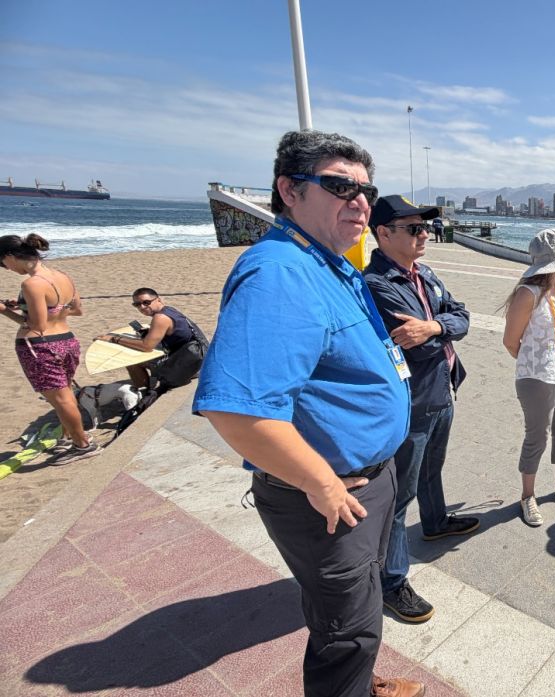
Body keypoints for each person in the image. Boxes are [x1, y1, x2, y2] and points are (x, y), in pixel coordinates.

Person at [192, 130, 425, 697]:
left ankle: (362, 687)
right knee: (348, 630)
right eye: (340, 184)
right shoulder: (280, 273)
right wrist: (320, 483)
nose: (361, 201)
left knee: (357, 606)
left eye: (366, 189)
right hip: (329, 494)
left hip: (369, 474)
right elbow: (238, 412)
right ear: (289, 192)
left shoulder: (329, 261)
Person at [364, 195, 477, 625]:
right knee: (398, 495)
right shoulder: (376, 284)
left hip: (442, 391)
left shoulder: (424, 274)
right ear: (384, 234)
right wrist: (439, 330)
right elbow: (419, 343)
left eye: (424, 228)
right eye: (413, 229)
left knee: (432, 470)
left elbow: (461, 317)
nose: (424, 234)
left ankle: (435, 522)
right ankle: (392, 582)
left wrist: (436, 325)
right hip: (410, 404)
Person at [501, 228, 555, 527]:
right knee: (537, 435)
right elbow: (511, 342)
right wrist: (537, 365)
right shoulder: (528, 293)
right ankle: (528, 495)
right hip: (537, 375)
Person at [1, 233, 96, 462]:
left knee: (60, 398)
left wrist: (4, 311)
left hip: (42, 347)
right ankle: (70, 437)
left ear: (11, 257)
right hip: (67, 341)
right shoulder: (62, 276)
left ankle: (82, 444)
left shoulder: (31, 283)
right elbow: (75, 310)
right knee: (65, 395)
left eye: (3, 264)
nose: (6, 269)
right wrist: (26, 306)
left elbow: (38, 325)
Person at [96, 288, 209, 391]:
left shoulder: (160, 318)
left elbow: (147, 346)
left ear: (158, 300)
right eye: (137, 304)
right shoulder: (169, 310)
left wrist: (115, 339)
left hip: (192, 364)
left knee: (133, 362)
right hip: (197, 356)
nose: (142, 307)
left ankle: (143, 393)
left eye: (146, 302)